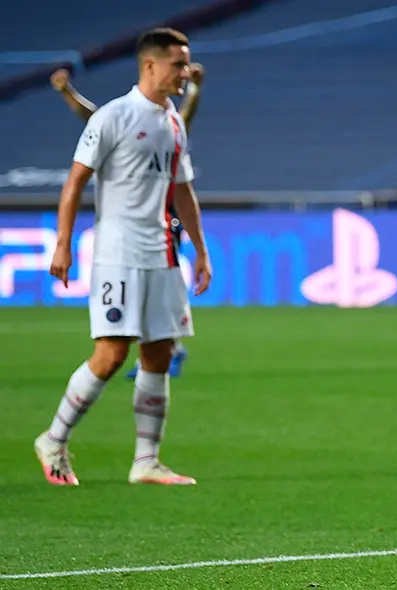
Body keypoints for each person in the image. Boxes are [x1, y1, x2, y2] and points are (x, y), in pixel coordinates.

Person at [35, 27, 212, 487]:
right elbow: (75, 182)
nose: (185, 73)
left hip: (164, 251)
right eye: (178, 65)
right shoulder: (114, 116)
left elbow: (182, 189)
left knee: (159, 353)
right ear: (151, 65)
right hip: (118, 252)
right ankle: (54, 438)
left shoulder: (173, 120)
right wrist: (63, 242)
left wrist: (201, 249)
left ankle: (146, 461)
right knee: (112, 354)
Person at [50, 62, 206, 379]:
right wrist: (68, 93)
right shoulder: (121, 122)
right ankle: (160, 350)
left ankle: (169, 349)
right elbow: (94, 119)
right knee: (130, 316)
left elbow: (185, 118)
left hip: (163, 224)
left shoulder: (170, 125)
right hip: (132, 231)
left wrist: (195, 90)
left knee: (159, 290)